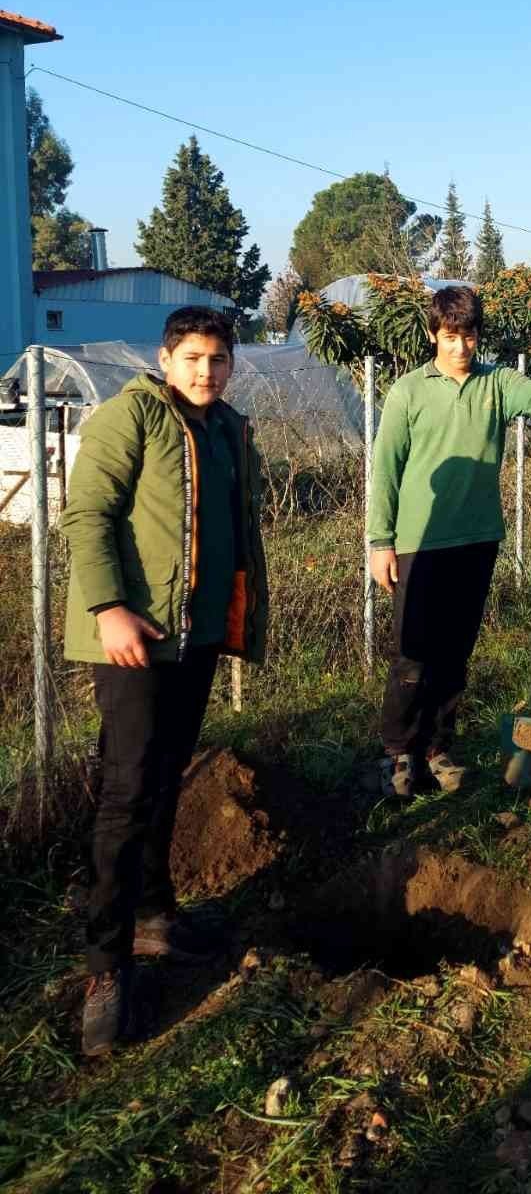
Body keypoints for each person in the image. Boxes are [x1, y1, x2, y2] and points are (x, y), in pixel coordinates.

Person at [62, 306, 269, 1058]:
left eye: (218, 359)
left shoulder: (228, 428)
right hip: (135, 641)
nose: (206, 371)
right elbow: (87, 514)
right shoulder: (132, 417)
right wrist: (109, 608)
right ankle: (106, 967)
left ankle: (154, 916)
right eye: (193, 358)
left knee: (168, 776)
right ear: (165, 358)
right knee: (127, 792)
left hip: (196, 635)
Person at [368, 284, 531, 798]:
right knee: (412, 656)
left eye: (469, 336)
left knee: (455, 653)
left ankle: (439, 749)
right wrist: (380, 541)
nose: (460, 347)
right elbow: (386, 469)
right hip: (418, 543)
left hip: (477, 539)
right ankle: (399, 753)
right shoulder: (408, 391)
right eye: (450, 336)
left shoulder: (496, 383)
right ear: (433, 334)